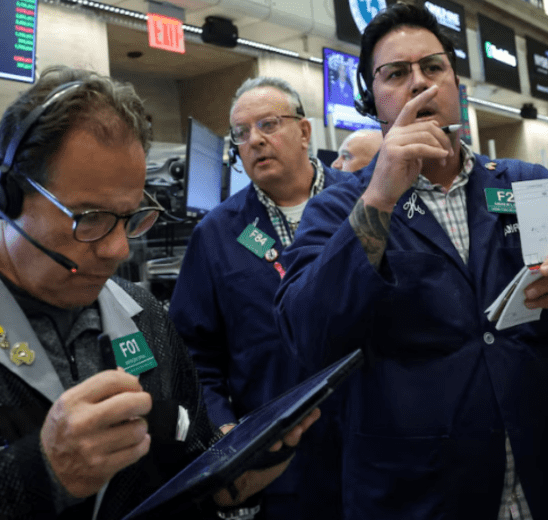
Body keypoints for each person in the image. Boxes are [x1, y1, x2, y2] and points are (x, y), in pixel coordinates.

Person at [0, 66, 317, 519]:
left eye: (130, 217)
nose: (118, 248)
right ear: (2, 200)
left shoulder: (145, 316)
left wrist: (241, 473)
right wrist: (41, 474)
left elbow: (192, 464)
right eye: (88, 217)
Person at [274, 4, 548, 520]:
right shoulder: (341, 207)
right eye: (395, 73)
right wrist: (380, 197)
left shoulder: (521, 182)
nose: (419, 83)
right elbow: (306, 331)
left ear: (457, 84)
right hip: (418, 496)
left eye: (433, 67)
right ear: (372, 102)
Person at [168, 77, 345, 519]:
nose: (255, 141)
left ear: (305, 132)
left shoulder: (364, 200)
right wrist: (225, 430)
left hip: (381, 446)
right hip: (282, 466)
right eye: (242, 133)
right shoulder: (217, 233)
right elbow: (192, 355)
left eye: (268, 124)